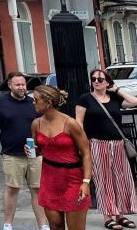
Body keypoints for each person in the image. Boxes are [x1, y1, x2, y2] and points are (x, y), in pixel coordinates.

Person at [0, 71, 49, 230]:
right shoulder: (0, 102)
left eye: (23, 84)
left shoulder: (33, 102)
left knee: (37, 189)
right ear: (9, 85)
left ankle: (43, 225)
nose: (21, 87)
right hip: (11, 153)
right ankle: (7, 225)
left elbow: (45, 124)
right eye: (17, 85)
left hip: (35, 154)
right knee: (13, 189)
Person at [75, 69, 137, 229]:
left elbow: (135, 102)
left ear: (107, 82)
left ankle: (121, 215)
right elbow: (78, 123)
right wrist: (84, 144)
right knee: (104, 180)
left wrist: (117, 90)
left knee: (122, 179)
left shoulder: (115, 98)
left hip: (118, 144)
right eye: (93, 79)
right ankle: (107, 216)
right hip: (97, 144)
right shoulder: (85, 98)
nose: (96, 81)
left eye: (100, 79)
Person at [32, 85, 92, 230]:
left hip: (72, 181)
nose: (33, 102)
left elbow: (86, 153)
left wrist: (86, 182)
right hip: (49, 181)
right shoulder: (36, 124)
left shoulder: (70, 123)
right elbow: (38, 151)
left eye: (36, 100)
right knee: (55, 225)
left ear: (48, 102)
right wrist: (32, 150)